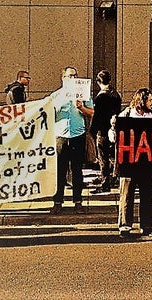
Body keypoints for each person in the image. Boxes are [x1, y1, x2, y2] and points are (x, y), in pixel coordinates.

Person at [51, 66, 94, 214]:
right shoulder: (56, 96)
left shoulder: (83, 95)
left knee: (77, 171)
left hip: (77, 136)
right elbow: (47, 115)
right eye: (70, 76)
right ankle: (58, 201)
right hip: (61, 137)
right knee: (60, 171)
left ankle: (78, 201)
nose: (74, 78)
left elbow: (92, 113)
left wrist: (81, 107)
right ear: (63, 78)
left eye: (75, 75)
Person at [117, 88, 152, 237]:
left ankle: (146, 226)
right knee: (127, 195)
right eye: (149, 100)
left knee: (147, 196)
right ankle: (125, 226)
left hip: (147, 164)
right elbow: (113, 134)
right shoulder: (127, 114)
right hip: (129, 164)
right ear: (142, 100)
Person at [90, 69, 122, 192]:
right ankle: (114, 177)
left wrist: (92, 131)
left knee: (103, 157)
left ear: (98, 82)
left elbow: (97, 116)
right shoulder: (116, 94)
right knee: (113, 155)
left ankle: (105, 182)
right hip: (114, 129)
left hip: (103, 130)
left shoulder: (100, 97)